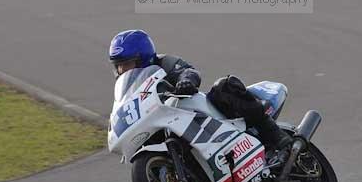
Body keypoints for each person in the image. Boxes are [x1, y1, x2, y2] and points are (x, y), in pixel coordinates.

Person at [108, 29, 291, 151]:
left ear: (144, 58)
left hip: (196, 111)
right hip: (167, 124)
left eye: (128, 64)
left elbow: (189, 71)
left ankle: (273, 133)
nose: (123, 70)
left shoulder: (164, 63)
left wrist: (186, 81)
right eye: (119, 66)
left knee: (224, 86)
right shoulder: (130, 89)